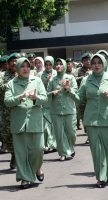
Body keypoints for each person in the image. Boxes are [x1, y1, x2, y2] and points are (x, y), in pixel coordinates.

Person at [5, 57, 47, 189]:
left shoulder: (37, 81)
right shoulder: (11, 83)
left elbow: (45, 99)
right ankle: (25, 178)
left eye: (27, 66)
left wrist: (36, 98)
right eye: (22, 66)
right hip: (19, 122)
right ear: (17, 69)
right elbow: (7, 101)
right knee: (21, 153)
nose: (25, 69)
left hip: (35, 120)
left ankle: (37, 168)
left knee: (38, 149)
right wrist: (19, 97)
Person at [77, 54, 108, 188]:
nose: (96, 65)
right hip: (91, 121)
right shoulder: (86, 80)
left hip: (106, 118)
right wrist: (68, 91)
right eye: (94, 62)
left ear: (104, 64)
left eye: (99, 62)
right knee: (97, 151)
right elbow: (79, 98)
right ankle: (101, 177)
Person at [47, 58, 78, 161]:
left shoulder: (71, 78)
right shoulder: (52, 80)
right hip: (56, 111)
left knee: (71, 133)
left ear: (64, 66)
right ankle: (63, 153)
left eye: (61, 64)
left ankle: (70, 147)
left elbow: (76, 93)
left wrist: (68, 89)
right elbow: (46, 95)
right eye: (57, 64)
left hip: (69, 110)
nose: (58, 66)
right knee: (59, 133)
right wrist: (53, 93)